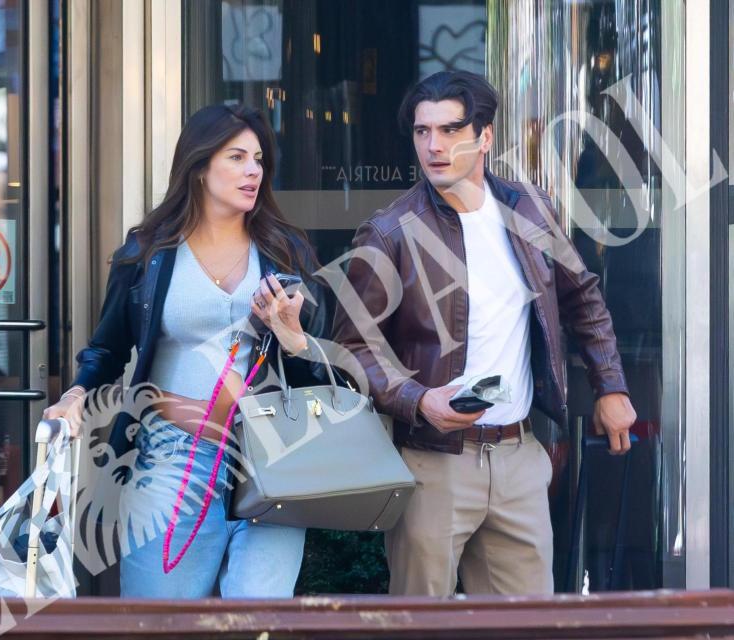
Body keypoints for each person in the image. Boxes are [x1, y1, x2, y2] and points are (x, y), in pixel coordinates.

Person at [332, 71, 637, 596]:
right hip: (433, 460)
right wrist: (418, 400)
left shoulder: (529, 208)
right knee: (420, 629)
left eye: (450, 130)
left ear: (485, 136)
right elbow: (353, 348)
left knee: (528, 628)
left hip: (518, 454)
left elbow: (582, 296)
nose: (435, 145)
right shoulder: (390, 231)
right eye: (423, 132)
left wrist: (610, 386)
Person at [42, 104, 331, 598]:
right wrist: (74, 396)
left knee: (257, 621)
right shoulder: (149, 252)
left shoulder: (286, 250)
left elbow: (320, 359)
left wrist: (290, 331)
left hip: (272, 457)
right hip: (173, 459)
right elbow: (108, 349)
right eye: (236, 157)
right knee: (162, 621)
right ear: (199, 167)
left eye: (258, 159)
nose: (253, 171)